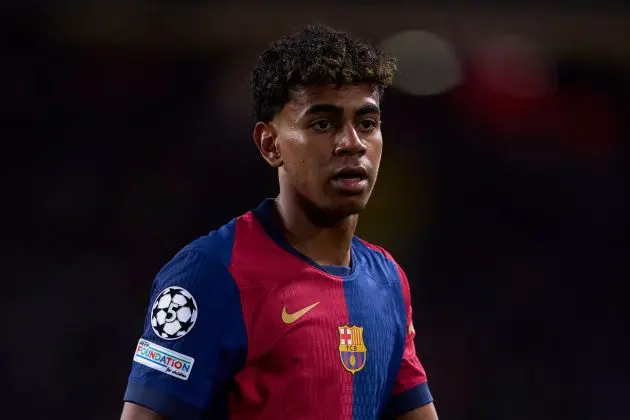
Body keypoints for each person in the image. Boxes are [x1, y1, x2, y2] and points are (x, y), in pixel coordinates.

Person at [121, 23, 438, 420]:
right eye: (323, 124)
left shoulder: (388, 280)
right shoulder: (211, 274)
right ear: (271, 145)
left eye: (367, 124)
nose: (352, 142)